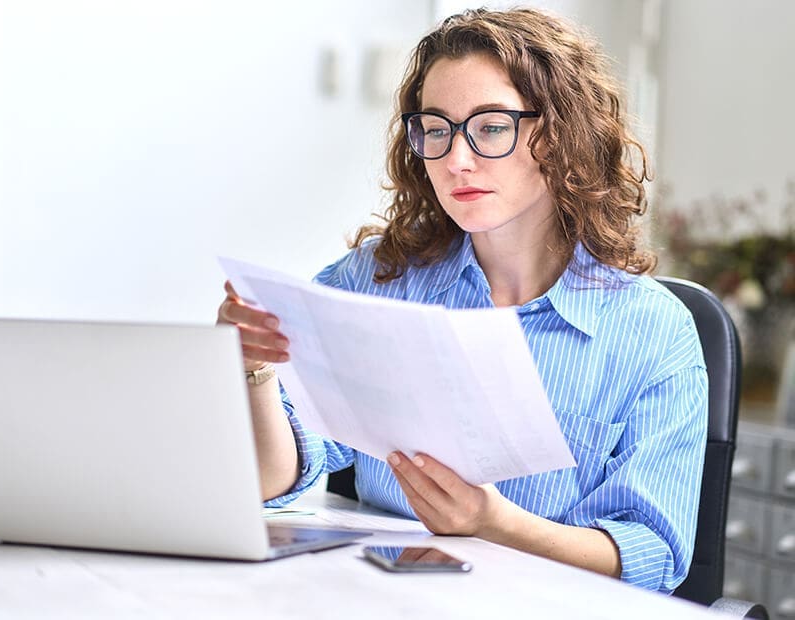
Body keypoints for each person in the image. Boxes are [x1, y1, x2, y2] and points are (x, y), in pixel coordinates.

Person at [217, 8, 707, 594]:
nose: (456, 159)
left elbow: (653, 554)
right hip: (377, 599)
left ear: (558, 136)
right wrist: (256, 371)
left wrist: (495, 525)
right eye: (437, 128)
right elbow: (278, 480)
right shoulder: (376, 280)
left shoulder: (654, 330)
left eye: (491, 127)